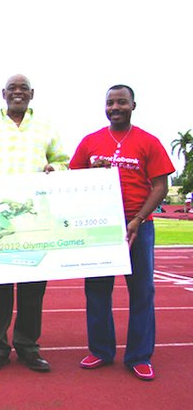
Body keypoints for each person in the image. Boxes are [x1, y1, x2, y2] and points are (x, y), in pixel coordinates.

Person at [70, 84, 174, 381]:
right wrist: (95, 172)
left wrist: (139, 219)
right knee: (97, 290)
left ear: (133, 106)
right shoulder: (91, 141)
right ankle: (101, 350)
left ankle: (139, 355)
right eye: (110, 103)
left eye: (121, 102)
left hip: (138, 225)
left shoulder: (148, 141)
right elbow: (73, 179)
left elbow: (160, 186)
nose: (115, 107)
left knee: (141, 292)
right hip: (100, 226)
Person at [0, 74, 69, 372]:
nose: (18, 93)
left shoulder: (46, 128)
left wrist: (54, 167)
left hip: (34, 215)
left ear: (32, 94)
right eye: (13, 89)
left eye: (23, 88)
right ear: (3, 93)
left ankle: (27, 345)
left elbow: (63, 160)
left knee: (32, 284)